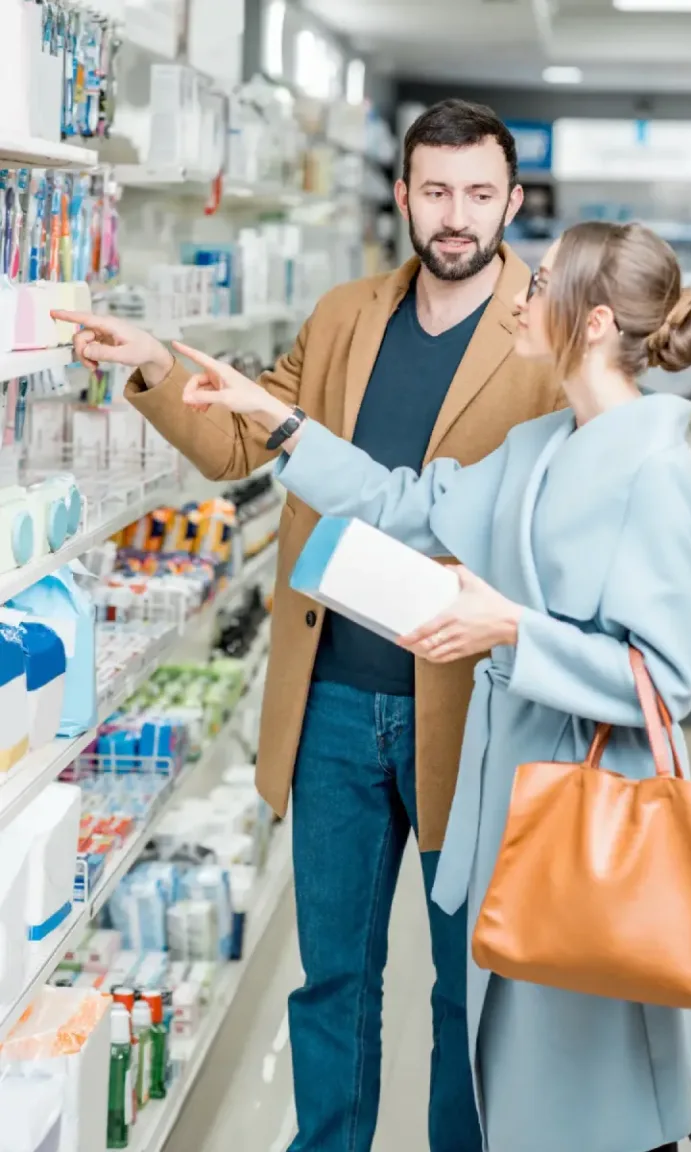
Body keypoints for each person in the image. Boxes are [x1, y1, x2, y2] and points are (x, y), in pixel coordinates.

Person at [167, 221, 691, 1152]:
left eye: (544, 282)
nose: (523, 293)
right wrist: (275, 419)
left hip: (586, 812)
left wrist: (513, 628)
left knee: (586, 1080)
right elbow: (406, 503)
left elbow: (665, 678)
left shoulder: (653, 468)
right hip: (510, 798)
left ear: (594, 321)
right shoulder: (539, 445)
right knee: (516, 1060)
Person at [55, 101, 561, 1152]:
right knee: (334, 976)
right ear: (403, 194)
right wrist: (152, 361)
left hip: (471, 719)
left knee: (468, 986)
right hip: (333, 693)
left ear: (513, 202)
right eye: (436, 191)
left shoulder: (545, 333)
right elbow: (243, 439)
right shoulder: (344, 317)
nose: (456, 217)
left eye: (479, 194)